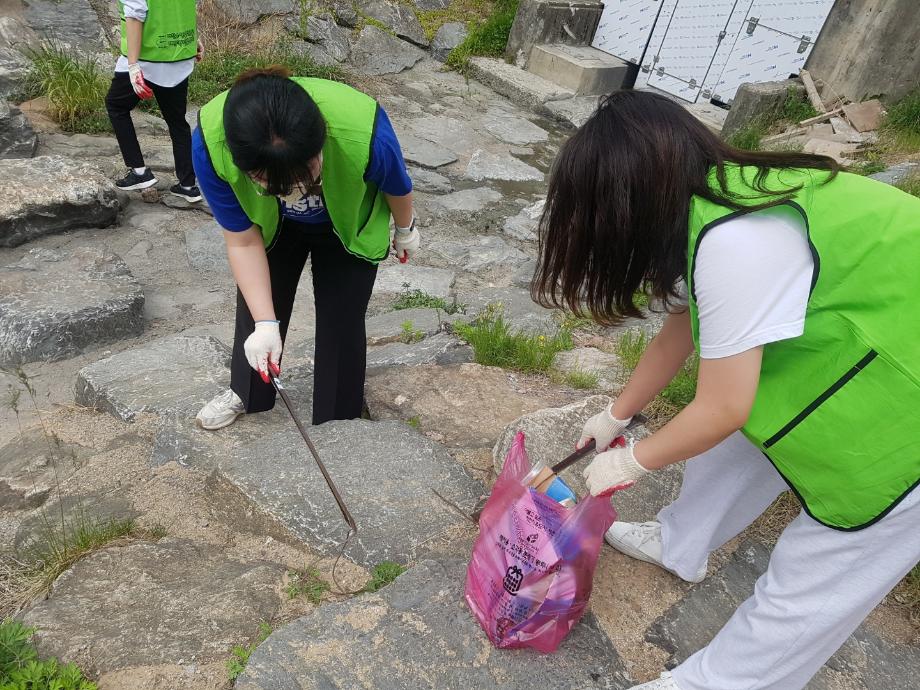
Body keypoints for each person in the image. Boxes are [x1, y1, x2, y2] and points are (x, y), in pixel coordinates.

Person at [533, 90, 920, 690]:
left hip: (904, 396)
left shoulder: (737, 242)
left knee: (817, 571)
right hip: (872, 337)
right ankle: (680, 543)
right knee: (738, 442)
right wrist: (617, 414)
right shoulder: (716, 199)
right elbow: (683, 328)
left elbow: (722, 407)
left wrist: (634, 460)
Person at [192, 67, 417, 429]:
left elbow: (397, 186)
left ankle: (338, 421)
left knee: (342, 318)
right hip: (270, 224)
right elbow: (242, 240)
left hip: (348, 223)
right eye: (271, 182)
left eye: (304, 173)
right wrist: (266, 324)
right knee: (258, 307)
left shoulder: (363, 130)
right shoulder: (211, 142)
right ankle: (248, 393)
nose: (292, 189)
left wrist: (405, 229)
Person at [105, 0, 202, 202]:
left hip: (147, 59)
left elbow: (135, 14)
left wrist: (133, 66)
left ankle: (140, 173)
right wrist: (194, 39)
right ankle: (187, 185)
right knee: (177, 121)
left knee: (116, 105)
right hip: (179, 54)